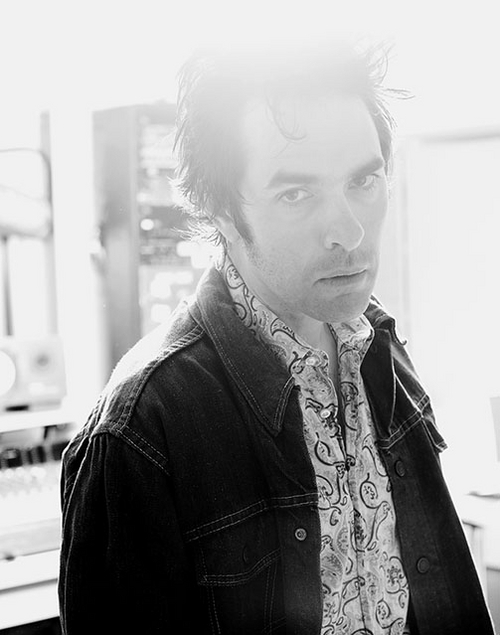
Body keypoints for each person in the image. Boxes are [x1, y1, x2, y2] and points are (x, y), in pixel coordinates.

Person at [58, 41, 494, 635]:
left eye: (364, 180)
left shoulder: (380, 349)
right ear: (220, 210)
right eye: (296, 194)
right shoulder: (140, 432)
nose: (350, 231)